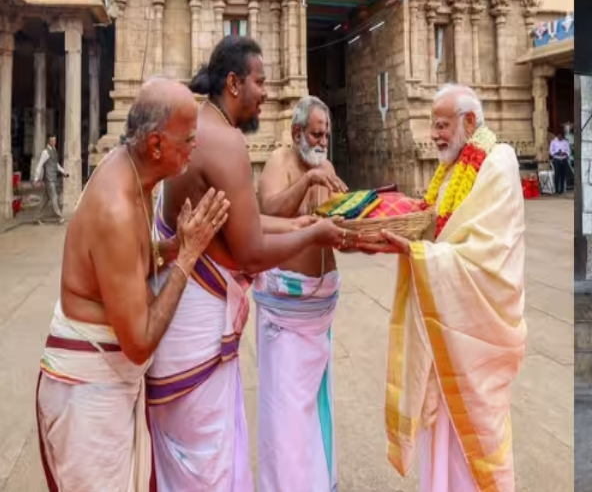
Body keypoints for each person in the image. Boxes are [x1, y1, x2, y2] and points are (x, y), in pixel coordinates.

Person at [150, 36, 360, 491]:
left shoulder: (200, 127)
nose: (266, 92)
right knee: (207, 458)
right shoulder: (227, 143)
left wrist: (300, 224)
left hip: (185, 309)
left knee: (192, 451)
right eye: (260, 82)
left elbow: (246, 222)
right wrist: (315, 232)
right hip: (198, 315)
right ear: (233, 83)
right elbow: (248, 250)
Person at [36, 77, 231, 492]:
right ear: (156, 145)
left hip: (105, 383)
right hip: (88, 393)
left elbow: (135, 258)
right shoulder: (117, 209)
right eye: (188, 138)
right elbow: (139, 342)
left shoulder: (135, 173)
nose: (195, 147)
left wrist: (174, 244)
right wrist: (189, 255)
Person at [371, 83, 527, 492]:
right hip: (444, 322)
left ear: (469, 122)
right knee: (440, 432)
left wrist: (423, 257)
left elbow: (491, 257)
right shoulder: (450, 170)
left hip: (478, 330)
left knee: (477, 432)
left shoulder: (498, 163)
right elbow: (437, 226)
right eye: (433, 125)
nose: (434, 134)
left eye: (442, 125)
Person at [253, 95, 349, 492]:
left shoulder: (325, 163)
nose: (323, 141)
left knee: (311, 407)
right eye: (316, 133)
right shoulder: (280, 161)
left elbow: (335, 219)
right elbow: (268, 210)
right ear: (296, 133)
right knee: (286, 414)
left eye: (326, 133)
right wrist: (306, 181)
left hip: (319, 305)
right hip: (287, 310)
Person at [32, 134, 69, 223]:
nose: (53, 142)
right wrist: (36, 179)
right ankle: (59, 217)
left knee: (45, 200)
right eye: (52, 141)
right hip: (48, 179)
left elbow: (56, 164)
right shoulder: (45, 152)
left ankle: (36, 217)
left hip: (53, 178)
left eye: (54, 141)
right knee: (54, 197)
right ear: (48, 141)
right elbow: (40, 165)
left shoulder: (54, 150)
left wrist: (64, 172)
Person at [549, 130, 571, 194]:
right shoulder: (553, 142)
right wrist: (556, 153)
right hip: (557, 160)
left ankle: (561, 189)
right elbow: (551, 151)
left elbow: (568, 150)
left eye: (561, 136)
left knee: (563, 175)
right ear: (557, 136)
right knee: (557, 175)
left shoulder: (566, 142)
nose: (560, 137)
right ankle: (556, 189)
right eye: (559, 136)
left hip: (564, 160)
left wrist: (565, 153)